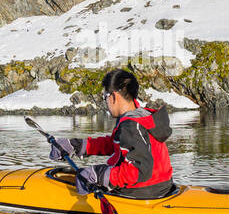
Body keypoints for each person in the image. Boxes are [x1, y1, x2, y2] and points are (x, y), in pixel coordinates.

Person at [49, 69, 174, 198]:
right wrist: (79, 145)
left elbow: (139, 170)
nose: (106, 102)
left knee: (82, 180)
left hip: (142, 192)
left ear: (114, 96)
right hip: (162, 187)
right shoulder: (141, 116)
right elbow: (116, 143)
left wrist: (99, 174)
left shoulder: (131, 125)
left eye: (105, 97)